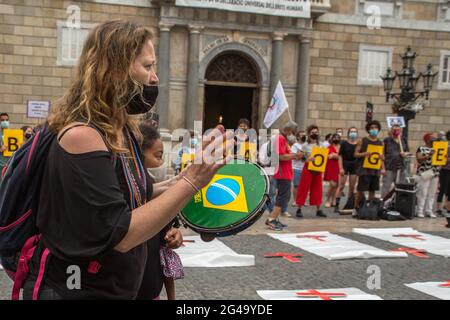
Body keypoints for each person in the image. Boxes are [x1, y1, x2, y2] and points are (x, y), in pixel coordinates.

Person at [22, 20, 232, 300]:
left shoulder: (122, 129)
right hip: (73, 289)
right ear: (113, 70)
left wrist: (186, 177)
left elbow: (132, 193)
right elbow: (119, 234)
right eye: (147, 67)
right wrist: (192, 180)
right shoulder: (82, 135)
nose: (155, 78)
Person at [137, 122, 184, 300]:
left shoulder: (158, 197)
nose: (162, 162)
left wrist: (174, 234)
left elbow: (165, 252)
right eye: (158, 156)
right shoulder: (125, 194)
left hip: (152, 292)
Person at [265, 121, 299, 230]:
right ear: (288, 130)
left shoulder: (284, 140)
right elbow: (280, 156)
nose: (293, 134)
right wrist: (295, 156)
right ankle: (272, 219)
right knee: (283, 197)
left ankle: (273, 218)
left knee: (284, 197)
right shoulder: (280, 139)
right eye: (293, 132)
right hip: (282, 173)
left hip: (285, 172)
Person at [354, 120, 385, 216]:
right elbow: (355, 154)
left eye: (375, 128)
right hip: (364, 169)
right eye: (371, 128)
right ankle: (356, 208)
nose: (374, 129)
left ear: (378, 130)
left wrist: (383, 166)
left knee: (373, 190)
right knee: (361, 190)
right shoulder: (362, 141)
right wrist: (364, 154)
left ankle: (369, 208)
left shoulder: (381, 143)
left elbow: (382, 157)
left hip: (375, 170)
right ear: (368, 130)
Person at [295, 125, 327, 218]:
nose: (315, 134)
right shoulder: (305, 145)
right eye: (313, 132)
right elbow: (300, 157)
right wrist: (307, 159)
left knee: (318, 189)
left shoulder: (321, 145)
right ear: (309, 134)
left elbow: (323, 157)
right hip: (308, 168)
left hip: (318, 169)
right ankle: (299, 208)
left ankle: (318, 209)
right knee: (303, 188)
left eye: (316, 132)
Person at [381, 124, 410, 198]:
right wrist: (383, 168)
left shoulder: (403, 140)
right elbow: (382, 155)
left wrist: (405, 154)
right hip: (389, 168)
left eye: (398, 129)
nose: (396, 131)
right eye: (394, 129)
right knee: (386, 188)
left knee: (400, 188)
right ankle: (383, 204)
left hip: (401, 168)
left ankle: (398, 204)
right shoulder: (386, 140)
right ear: (391, 130)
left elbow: (409, 152)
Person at [416, 132, 441, 218]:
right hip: (425, 172)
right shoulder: (422, 148)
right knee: (423, 192)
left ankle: (429, 210)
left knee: (432, 193)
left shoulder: (438, 148)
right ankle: (420, 210)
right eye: (432, 137)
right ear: (427, 139)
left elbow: (440, 160)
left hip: (435, 172)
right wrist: (428, 155)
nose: (435, 139)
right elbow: (419, 159)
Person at [336, 127, 359, 213]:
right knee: (341, 186)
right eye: (351, 131)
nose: (353, 133)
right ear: (349, 133)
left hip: (354, 164)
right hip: (345, 163)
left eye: (355, 132)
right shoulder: (344, 144)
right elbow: (340, 156)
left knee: (352, 187)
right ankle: (337, 204)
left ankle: (349, 204)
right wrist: (341, 167)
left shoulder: (358, 144)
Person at [324, 133, 341, 209]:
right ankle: (327, 200)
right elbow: (328, 156)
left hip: (339, 167)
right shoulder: (329, 147)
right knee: (332, 184)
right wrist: (334, 156)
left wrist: (335, 155)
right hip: (331, 167)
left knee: (336, 185)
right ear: (332, 139)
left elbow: (341, 156)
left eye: (338, 137)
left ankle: (333, 200)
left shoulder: (341, 147)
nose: (336, 139)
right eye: (335, 137)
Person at [437, 130, 450, 216]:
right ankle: (439, 208)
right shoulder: (446, 146)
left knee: (449, 191)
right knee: (443, 189)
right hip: (445, 170)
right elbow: (442, 160)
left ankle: (448, 208)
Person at [291, 131, 305, 207]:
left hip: (305, 168)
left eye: (304, 135)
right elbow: (295, 156)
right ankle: (295, 200)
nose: (303, 136)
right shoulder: (295, 146)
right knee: (296, 185)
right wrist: (302, 154)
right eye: (302, 135)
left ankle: (302, 200)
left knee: (304, 185)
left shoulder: (307, 145)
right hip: (297, 168)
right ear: (298, 137)